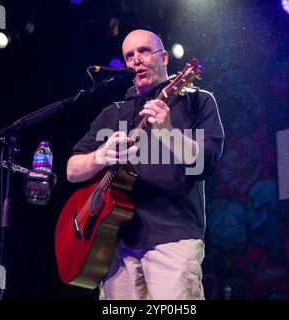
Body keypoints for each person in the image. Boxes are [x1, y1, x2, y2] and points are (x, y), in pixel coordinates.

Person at [66, 29, 224, 300]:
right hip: (115, 246)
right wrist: (101, 156)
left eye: (143, 51)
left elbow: (207, 162)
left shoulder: (197, 100)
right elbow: (71, 170)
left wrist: (167, 131)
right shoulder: (112, 113)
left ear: (164, 57)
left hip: (174, 238)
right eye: (129, 55)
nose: (136, 60)